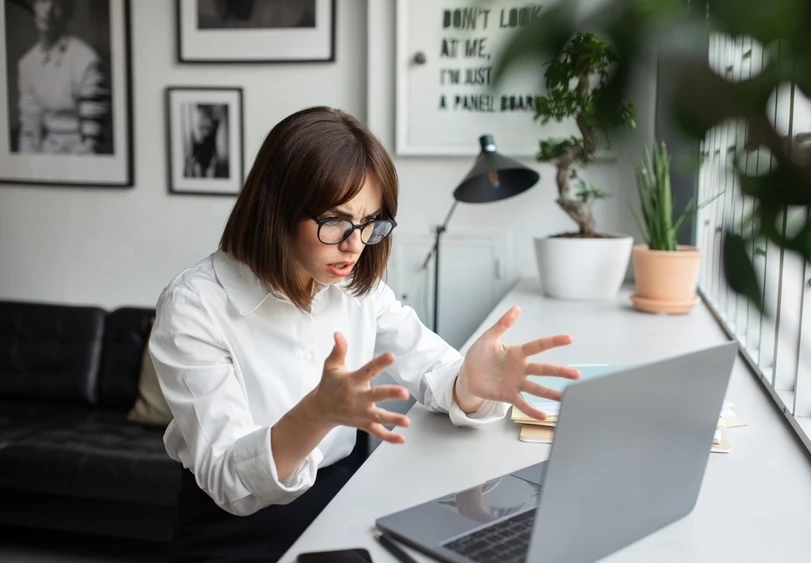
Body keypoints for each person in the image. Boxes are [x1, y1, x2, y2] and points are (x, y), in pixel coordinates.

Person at [148, 106, 579, 562]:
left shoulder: (356, 288)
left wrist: (470, 383)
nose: (355, 243)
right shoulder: (195, 304)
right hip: (234, 534)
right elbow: (228, 479)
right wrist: (314, 415)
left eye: (370, 222)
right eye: (335, 220)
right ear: (276, 208)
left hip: (340, 506)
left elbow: (432, 368)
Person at [16, 0, 111, 154]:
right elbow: (29, 133)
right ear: (34, 6)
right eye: (42, 1)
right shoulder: (27, 63)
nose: (48, 10)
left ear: (68, 12)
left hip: (80, 159)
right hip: (46, 158)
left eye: (57, 3)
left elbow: (92, 142)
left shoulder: (86, 61)